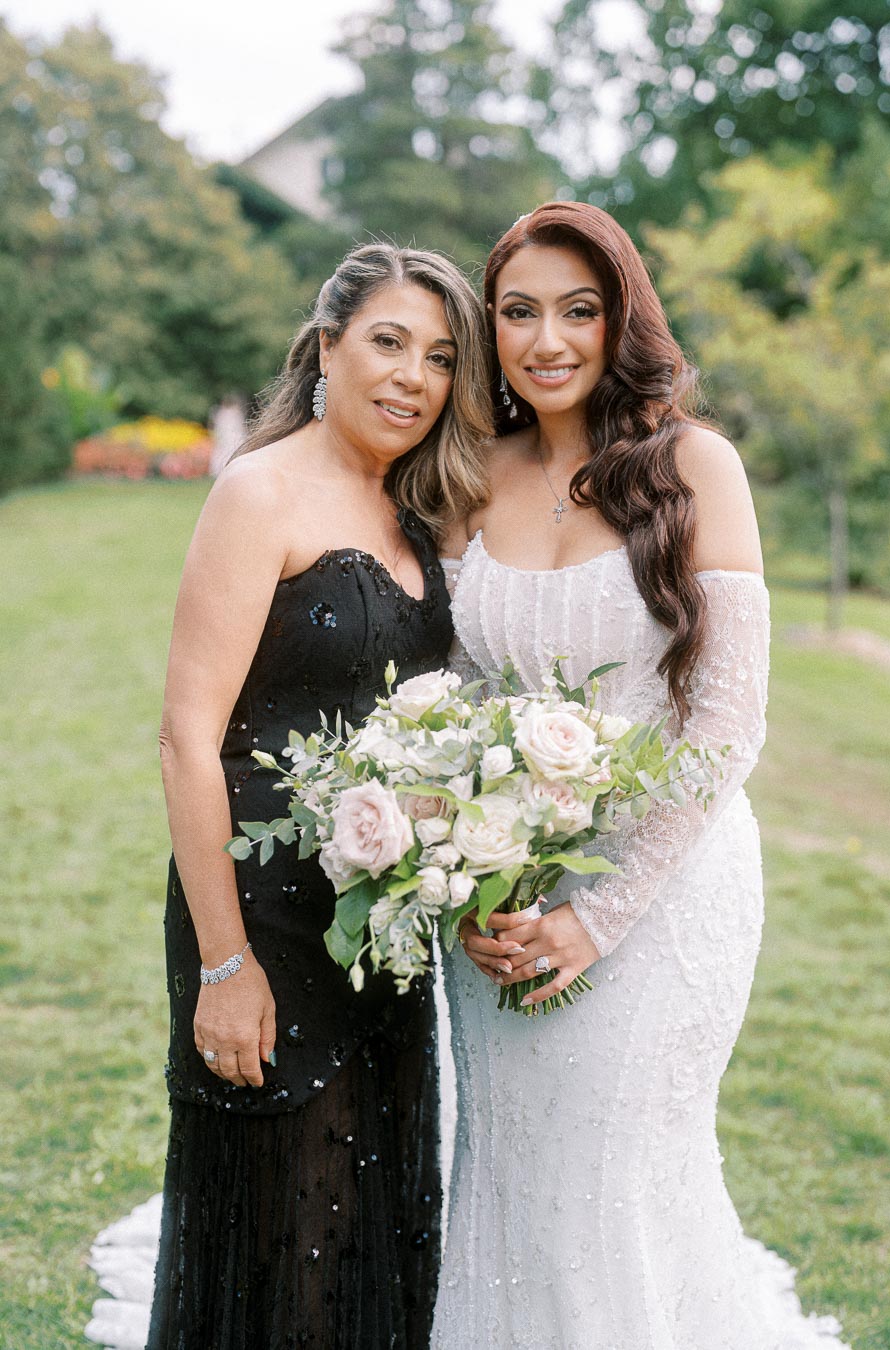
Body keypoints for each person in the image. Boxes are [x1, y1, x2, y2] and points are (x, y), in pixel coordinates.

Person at [434, 203, 847, 1348]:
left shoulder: (695, 465)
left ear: (623, 319)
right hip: (508, 894)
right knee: (514, 1163)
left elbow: (728, 720)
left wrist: (600, 915)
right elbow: (455, 698)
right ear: (489, 328)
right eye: (519, 312)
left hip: (665, 893)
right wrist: (463, 879)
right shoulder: (473, 475)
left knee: (611, 1164)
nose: (547, 340)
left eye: (579, 310)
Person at [148, 242, 491, 1349]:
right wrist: (224, 964)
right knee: (278, 1242)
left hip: (381, 930)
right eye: (388, 342)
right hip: (262, 922)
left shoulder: (419, 507)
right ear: (328, 344)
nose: (413, 377)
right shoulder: (259, 493)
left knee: (375, 1230)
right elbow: (187, 739)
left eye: (441, 358)